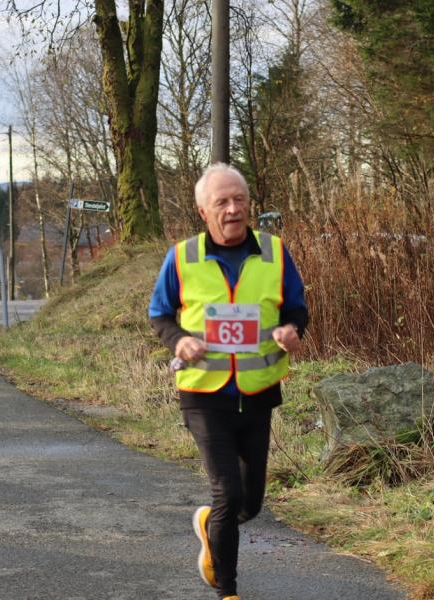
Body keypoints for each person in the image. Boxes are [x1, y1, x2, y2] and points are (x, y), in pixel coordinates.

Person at [148, 163, 308, 600]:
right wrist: (178, 340)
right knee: (227, 491)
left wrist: (291, 332)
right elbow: (159, 314)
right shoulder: (182, 258)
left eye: (240, 200)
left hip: (257, 392)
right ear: (203, 211)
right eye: (222, 202)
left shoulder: (274, 253)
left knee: (250, 502)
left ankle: (209, 527)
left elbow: (297, 311)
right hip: (203, 394)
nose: (233, 209)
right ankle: (228, 591)